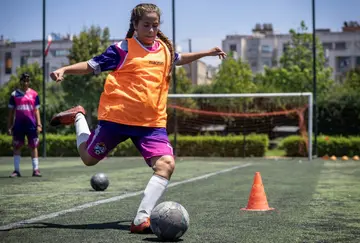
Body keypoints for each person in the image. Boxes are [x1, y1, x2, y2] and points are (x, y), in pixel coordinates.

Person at [49, 3, 226, 234]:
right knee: (88, 159)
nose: (151, 30)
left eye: (155, 25)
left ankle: (141, 218)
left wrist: (207, 53)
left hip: (151, 125)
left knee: (166, 165)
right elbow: (92, 66)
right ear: (134, 25)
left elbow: (179, 58)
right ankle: (78, 116)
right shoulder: (122, 49)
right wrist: (66, 69)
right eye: (146, 25)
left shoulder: (165, 49)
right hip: (116, 120)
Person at [7, 73, 42, 177]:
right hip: (18, 125)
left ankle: (36, 170)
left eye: (27, 81)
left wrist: (39, 124)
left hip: (31, 125)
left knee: (33, 146)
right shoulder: (14, 95)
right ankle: (16, 170)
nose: (26, 83)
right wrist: (9, 126)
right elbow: (11, 112)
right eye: (24, 81)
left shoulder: (34, 94)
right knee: (17, 146)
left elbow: (36, 111)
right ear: (20, 81)